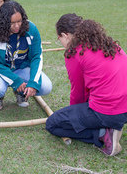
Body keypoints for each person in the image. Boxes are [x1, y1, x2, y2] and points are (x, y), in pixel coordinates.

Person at [46, 13, 127, 156]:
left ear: (65, 35)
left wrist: (74, 116)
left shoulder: (74, 52)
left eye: (60, 39)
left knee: (53, 123)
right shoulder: (109, 43)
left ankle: (103, 134)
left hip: (111, 111)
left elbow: (79, 92)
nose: (61, 43)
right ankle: (111, 125)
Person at [0, 0, 52, 111]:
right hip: (0, 70)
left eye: (19, 21)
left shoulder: (31, 29)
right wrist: (15, 80)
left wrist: (33, 82)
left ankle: (20, 93)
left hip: (22, 68)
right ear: (3, 22)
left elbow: (36, 57)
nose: (17, 26)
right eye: (12, 23)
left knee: (46, 87)